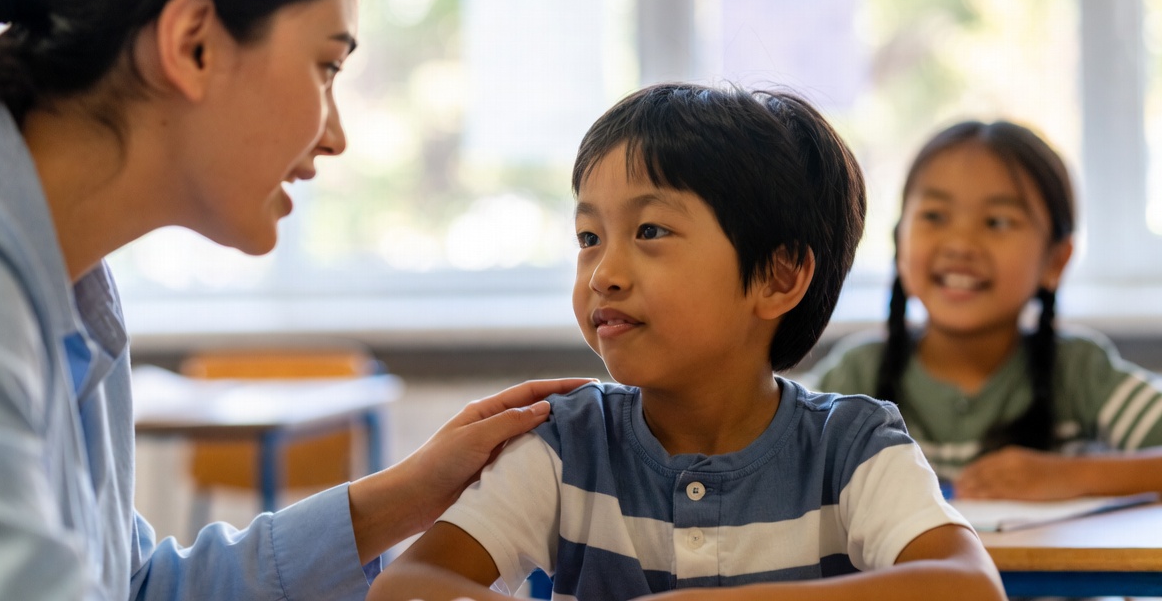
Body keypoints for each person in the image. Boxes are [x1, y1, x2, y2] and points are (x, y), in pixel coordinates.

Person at [0, 0, 592, 599]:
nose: (336, 136)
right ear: (192, 44)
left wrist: (409, 494)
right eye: (326, 66)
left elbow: (136, 587)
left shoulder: (68, 293)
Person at [366, 83, 1005, 601]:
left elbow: (970, 589)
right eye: (589, 238)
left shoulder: (852, 449)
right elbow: (407, 587)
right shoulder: (567, 445)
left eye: (649, 230)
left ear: (778, 277)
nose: (603, 274)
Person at [809, 120, 1162, 500]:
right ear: (899, 241)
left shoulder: (1080, 371)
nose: (961, 244)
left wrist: (1073, 475)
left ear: (1056, 261)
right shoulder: (855, 378)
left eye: (997, 222)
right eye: (935, 216)